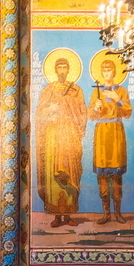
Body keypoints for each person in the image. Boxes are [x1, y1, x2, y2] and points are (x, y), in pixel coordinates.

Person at [36, 55, 87, 226]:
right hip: (52, 136)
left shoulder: (76, 90)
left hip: (70, 134)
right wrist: (50, 109)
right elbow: (39, 114)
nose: (62, 71)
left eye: (65, 67)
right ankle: (57, 216)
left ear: (69, 70)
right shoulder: (48, 90)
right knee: (53, 174)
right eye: (60, 67)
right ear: (55, 70)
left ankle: (69, 215)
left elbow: (82, 111)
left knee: (71, 171)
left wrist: (69, 111)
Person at [88, 56, 131, 222]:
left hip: (116, 133)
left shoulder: (121, 91)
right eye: (104, 69)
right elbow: (91, 116)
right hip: (101, 134)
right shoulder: (96, 91)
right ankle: (106, 213)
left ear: (114, 71)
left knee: (116, 174)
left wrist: (117, 99)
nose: (107, 72)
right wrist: (96, 108)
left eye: (109, 69)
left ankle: (118, 213)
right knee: (102, 175)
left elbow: (128, 112)